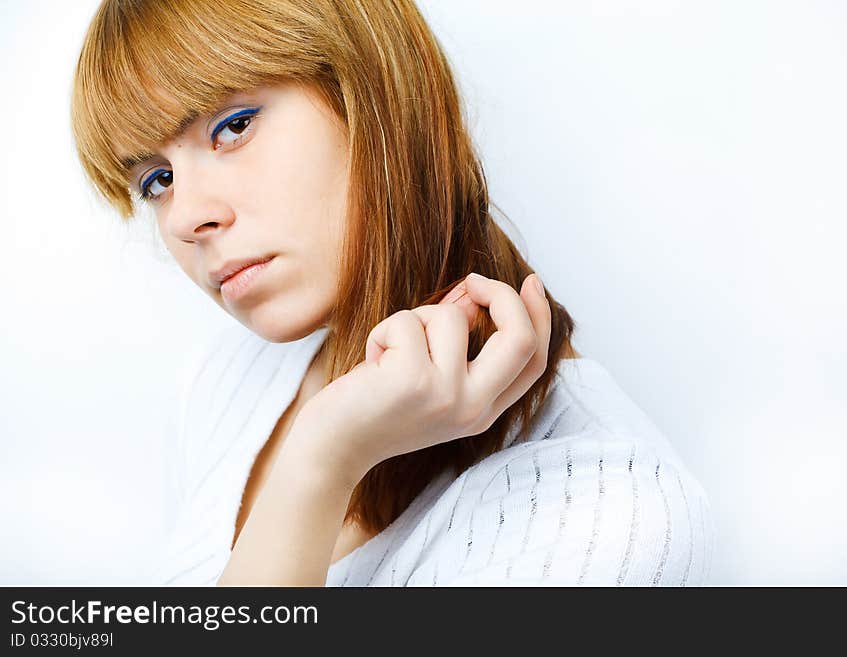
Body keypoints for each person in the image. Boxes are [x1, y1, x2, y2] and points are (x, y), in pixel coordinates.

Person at [70, 0, 713, 586]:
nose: (184, 218)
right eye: (156, 180)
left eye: (233, 126)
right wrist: (320, 459)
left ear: (373, 97)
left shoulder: (610, 507)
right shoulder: (224, 382)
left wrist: (320, 464)